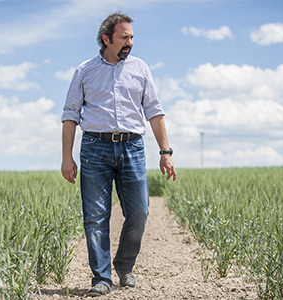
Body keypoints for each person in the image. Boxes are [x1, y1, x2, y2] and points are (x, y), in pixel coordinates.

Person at [61, 12, 176, 297]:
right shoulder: (85, 71)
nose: (130, 43)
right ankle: (101, 278)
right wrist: (67, 157)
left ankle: (124, 264)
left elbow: (154, 111)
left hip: (132, 147)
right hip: (94, 149)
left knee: (139, 213)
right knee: (95, 217)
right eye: (124, 37)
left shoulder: (141, 68)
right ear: (106, 39)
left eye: (131, 37)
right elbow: (70, 115)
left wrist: (166, 152)